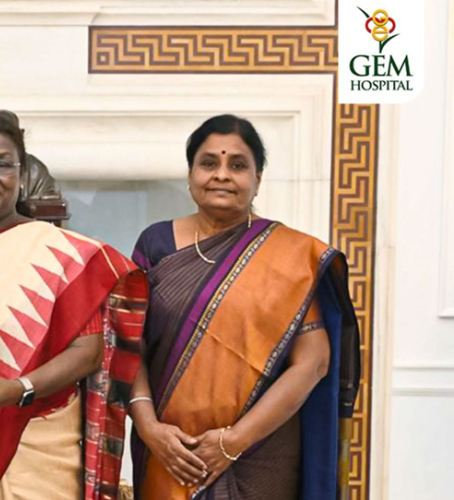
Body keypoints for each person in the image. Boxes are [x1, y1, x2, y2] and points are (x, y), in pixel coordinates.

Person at [0, 114, 148, 500]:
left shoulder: (60, 252)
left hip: (35, 445)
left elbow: (88, 352)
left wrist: (17, 388)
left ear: (20, 175)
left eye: (2, 163)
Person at [128, 114, 361, 500]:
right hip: (170, 453)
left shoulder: (291, 257)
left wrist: (234, 441)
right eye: (208, 163)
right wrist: (150, 428)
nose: (222, 174)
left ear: (257, 180)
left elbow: (314, 362)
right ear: (190, 175)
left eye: (237, 165)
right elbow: (127, 343)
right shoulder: (156, 244)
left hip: (260, 451)